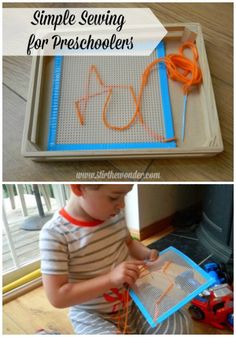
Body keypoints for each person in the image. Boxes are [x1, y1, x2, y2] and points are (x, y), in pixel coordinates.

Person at [39, 184, 190, 334]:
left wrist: (146, 254)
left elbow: (129, 243)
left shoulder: (115, 215)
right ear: (78, 188)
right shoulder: (55, 234)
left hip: (134, 297)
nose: (122, 205)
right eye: (114, 197)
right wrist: (110, 279)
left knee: (179, 323)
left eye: (125, 195)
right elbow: (57, 297)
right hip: (93, 314)